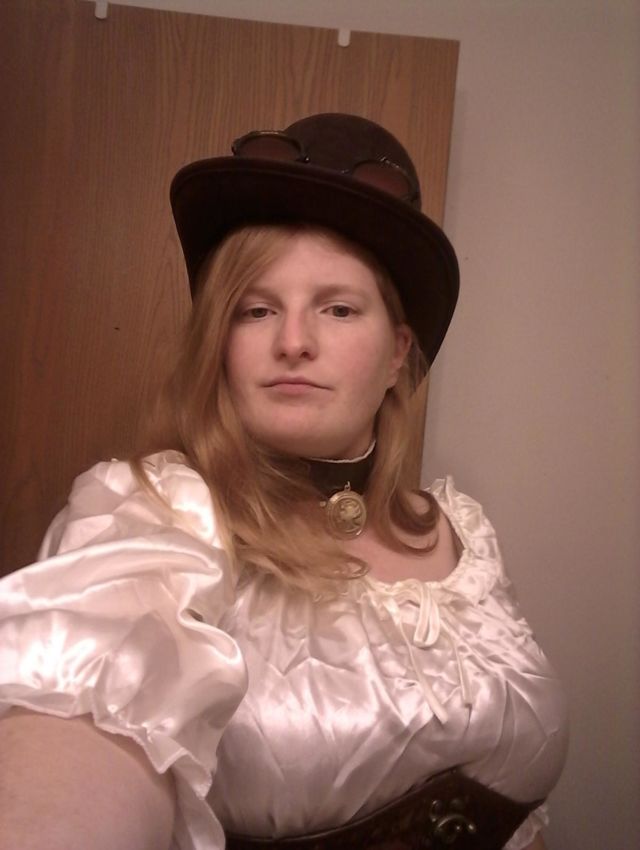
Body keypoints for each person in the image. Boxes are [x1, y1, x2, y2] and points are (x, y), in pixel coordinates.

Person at [0, 114, 568, 850]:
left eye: (338, 309)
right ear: (220, 343)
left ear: (398, 353)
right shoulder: (155, 514)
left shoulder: (463, 531)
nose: (293, 341)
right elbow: (81, 715)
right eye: (257, 310)